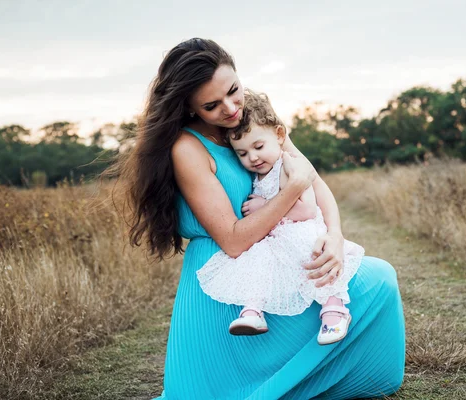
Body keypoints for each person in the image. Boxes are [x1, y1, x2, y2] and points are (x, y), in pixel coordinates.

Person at [116, 38, 405, 399]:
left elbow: (312, 179)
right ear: (188, 108)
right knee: (374, 282)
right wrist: (290, 191)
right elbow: (234, 240)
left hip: (275, 255)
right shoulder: (187, 149)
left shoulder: (252, 120)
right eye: (212, 105)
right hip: (226, 277)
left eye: (233, 91)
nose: (230, 107)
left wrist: (334, 234)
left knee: (379, 279)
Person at [196, 90, 365, 345]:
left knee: (315, 260)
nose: (252, 157)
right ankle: (253, 310)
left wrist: (265, 205)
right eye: (242, 153)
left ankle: (334, 309)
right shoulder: (258, 172)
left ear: (279, 136)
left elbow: (307, 210)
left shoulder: (289, 165)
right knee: (258, 261)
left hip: (302, 231)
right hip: (275, 236)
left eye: (258, 147)